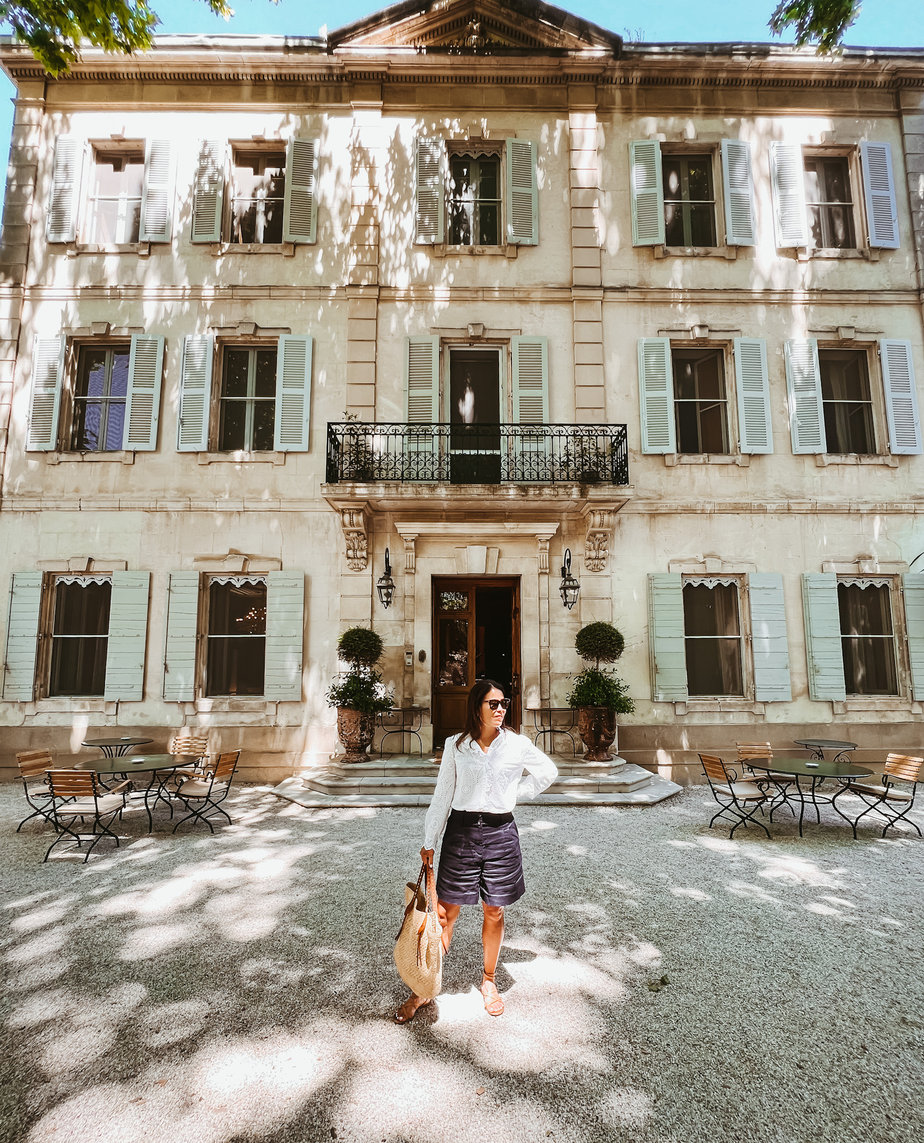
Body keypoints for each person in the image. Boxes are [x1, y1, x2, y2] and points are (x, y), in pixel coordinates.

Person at [394, 679, 558, 1023]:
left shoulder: (517, 744)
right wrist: (429, 840)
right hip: (461, 832)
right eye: (492, 704)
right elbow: (442, 795)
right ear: (477, 707)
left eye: (504, 704)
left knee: (494, 911)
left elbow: (548, 771)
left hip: (500, 834)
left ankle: (489, 981)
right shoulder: (456, 745)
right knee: (443, 914)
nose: (500, 710)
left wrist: (516, 795)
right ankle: (424, 988)